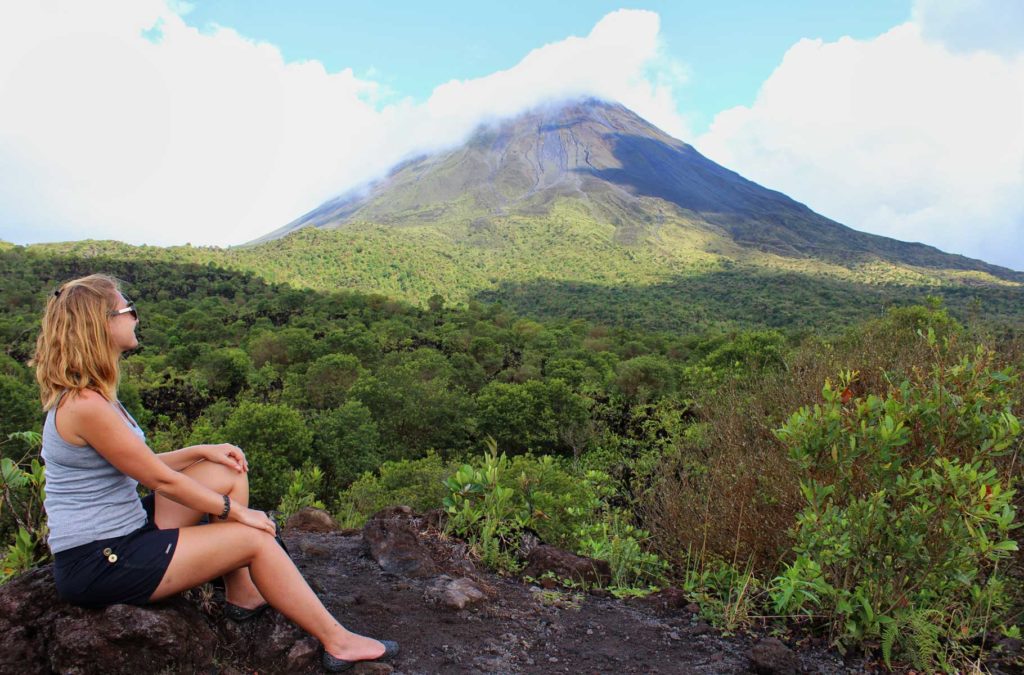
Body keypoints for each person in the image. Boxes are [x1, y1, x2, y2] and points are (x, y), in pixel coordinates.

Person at [31, 274, 397, 672]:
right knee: (253, 538)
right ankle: (338, 642)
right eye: (128, 309)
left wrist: (200, 451)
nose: (136, 317)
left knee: (226, 471)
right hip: (101, 561)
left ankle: (242, 592)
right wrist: (237, 514)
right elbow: (160, 480)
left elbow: (137, 462)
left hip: (127, 530)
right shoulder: (85, 404)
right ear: (100, 324)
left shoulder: (95, 394)